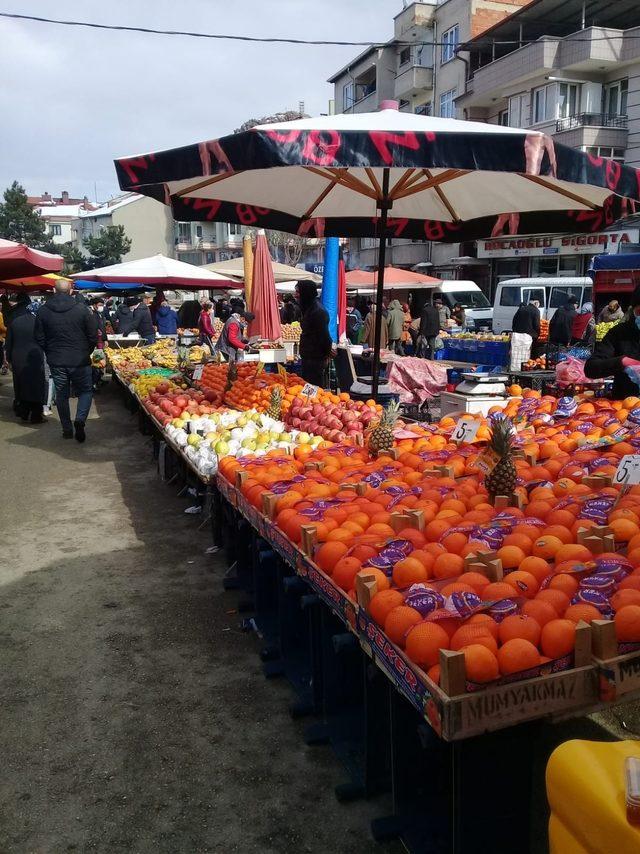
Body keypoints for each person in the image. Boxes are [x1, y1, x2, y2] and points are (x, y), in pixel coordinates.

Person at [34, 279, 97, 441]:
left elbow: (39, 337)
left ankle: (67, 429)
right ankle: (80, 420)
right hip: (80, 360)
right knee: (85, 391)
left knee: (61, 395)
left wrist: (51, 352)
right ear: (70, 291)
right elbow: (92, 336)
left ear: (54, 291)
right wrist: (86, 352)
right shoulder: (83, 310)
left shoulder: (43, 311)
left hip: (57, 360)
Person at [585, 286, 640, 398]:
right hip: (624, 406)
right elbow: (591, 368)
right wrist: (621, 362)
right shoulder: (618, 332)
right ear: (633, 310)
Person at [5, 295, 46, 423]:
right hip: (35, 357)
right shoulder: (40, 322)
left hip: (17, 357)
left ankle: (23, 412)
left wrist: (9, 358)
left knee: (20, 385)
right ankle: (36, 415)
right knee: (36, 386)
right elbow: (44, 340)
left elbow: (9, 342)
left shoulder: (16, 321)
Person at [296, 279, 332, 387]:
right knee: (308, 387)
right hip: (309, 357)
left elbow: (324, 336)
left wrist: (325, 355)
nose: (296, 295)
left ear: (306, 292)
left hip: (315, 359)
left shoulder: (318, 312)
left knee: (313, 388)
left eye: (298, 292)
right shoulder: (308, 308)